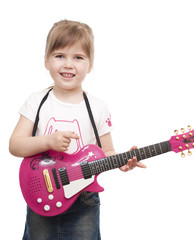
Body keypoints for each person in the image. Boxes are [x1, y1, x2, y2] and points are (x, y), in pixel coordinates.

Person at [9, 20, 146, 240]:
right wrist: (48, 142)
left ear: (90, 65)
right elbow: (15, 145)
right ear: (46, 60)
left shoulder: (98, 108)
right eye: (60, 55)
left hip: (85, 199)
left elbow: (107, 152)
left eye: (78, 57)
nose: (68, 64)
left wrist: (122, 161)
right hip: (44, 193)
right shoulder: (36, 102)